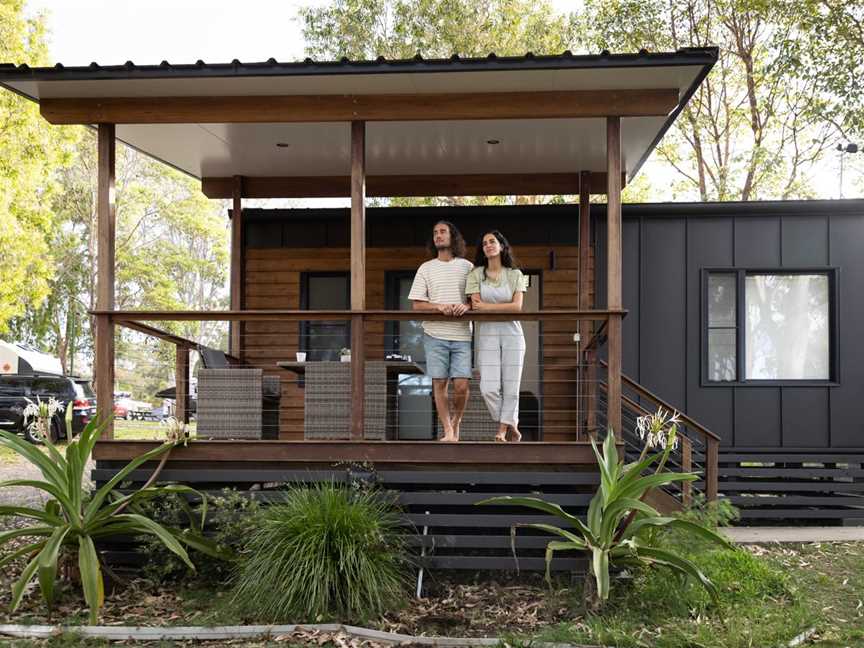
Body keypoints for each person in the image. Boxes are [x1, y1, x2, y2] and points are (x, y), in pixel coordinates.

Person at [409, 221, 473, 442]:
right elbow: (417, 305)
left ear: (452, 236)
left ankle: (456, 422)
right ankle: (448, 431)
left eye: (443, 231)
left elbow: (475, 300)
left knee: (462, 385)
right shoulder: (426, 268)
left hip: (462, 335)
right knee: (439, 383)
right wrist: (439, 307)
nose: (438, 235)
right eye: (435, 232)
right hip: (434, 334)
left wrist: (467, 306)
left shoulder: (467, 266)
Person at [466, 230, 527, 442]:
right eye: (484, 243)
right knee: (488, 388)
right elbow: (475, 306)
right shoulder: (475, 274)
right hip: (487, 334)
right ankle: (512, 423)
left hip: (512, 333)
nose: (488, 245)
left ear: (502, 246)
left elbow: (517, 307)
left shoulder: (516, 275)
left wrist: (487, 306)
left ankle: (502, 430)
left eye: (492, 241)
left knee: (512, 385)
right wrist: (501, 306)